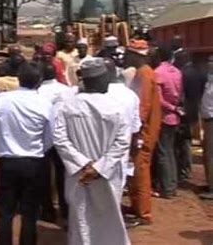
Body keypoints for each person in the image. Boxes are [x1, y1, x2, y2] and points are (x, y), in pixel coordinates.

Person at [54, 58, 131, 245]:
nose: (108, 82)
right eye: (105, 78)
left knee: (81, 221)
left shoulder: (66, 106)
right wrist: (99, 168)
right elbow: (122, 143)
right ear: (97, 80)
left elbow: (59, 139)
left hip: (78, 174)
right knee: (109, 221)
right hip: (107, 174)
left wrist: (82, 164)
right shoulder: (116, 107)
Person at [0, 62, 54, 245]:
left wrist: (4, 147)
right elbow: (50, 138)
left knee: (5, 213)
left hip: (8, 162)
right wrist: (38, 150)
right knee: (29, 213)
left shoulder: (2, 100)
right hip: (34, 163)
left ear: (19, 79)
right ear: (39, 81)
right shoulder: (45, 103)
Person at [125, 40, 162, 226]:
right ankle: (137, 206)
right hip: (144, 128)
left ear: (136, 55)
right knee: (137, 170)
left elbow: (143, 106)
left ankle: (143, 213)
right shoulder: (144, 72)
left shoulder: (145, 74)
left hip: (144, 131)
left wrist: (135, 130)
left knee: (141, 170)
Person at [37, 63, 72, 223]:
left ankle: (47, 210)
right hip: (63, 136)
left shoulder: (37, 92)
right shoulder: (66, 90)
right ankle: (65, 210)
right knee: (62, 174)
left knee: (44, 174)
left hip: (42, 138)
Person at [106, 58, 142, 195]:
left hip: (101, 150)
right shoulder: (130, 95)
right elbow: (136, 127)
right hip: (123, 148)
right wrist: (134, 149)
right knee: (117, 186)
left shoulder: (99, 95)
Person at [154, 46, 183, 198]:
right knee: (171, 151)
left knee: (163, 153)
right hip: (175, 116)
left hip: (164, 116)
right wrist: (176, 108)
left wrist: (171, 108)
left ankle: (167, 188)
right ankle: (172, 184)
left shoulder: (158, 73)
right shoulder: (177, 72)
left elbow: (159, 99)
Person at [175, 51, 206, 182]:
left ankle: (183, 169)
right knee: (188, 141)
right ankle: (187, 168)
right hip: (198, 107)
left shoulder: (182, 73)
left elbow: (181, 93)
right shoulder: (200, 73)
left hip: (185, 109)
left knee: (181, 141)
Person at [199, 56, 213, 200]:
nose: (209, 64)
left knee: (211, 155)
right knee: (207, 153)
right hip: (207, 119)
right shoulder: (210, 78)